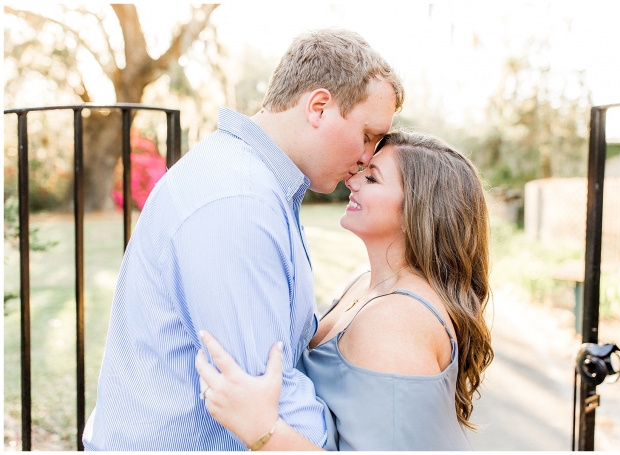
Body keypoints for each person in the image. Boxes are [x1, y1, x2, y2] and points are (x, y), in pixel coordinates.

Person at [82, 28, 404, 450]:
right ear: (319, 107)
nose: (367, 157)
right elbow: (269, 394)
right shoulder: (238, 202)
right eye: (367, 135)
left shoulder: (254, 183)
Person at [196, 131, 495, 451]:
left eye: (373, 178)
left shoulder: (396, 320)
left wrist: (260, 428)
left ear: (417, 211)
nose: (353, 180)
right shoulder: (368, 283)